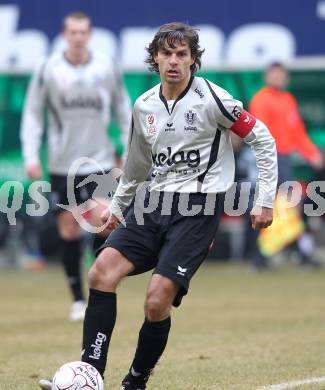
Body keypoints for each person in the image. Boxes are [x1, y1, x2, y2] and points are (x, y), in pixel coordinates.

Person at [39, 22, 277, 390]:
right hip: (152, 204)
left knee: (156, 300)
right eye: (166, 53)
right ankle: (90, 374)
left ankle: (134, 381)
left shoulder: (213, 99)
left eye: (182, 54)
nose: (174, 61)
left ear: (193, 60)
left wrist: (264, 200)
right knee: (101, 272)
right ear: (155, 58)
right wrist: (117, 210)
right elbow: (136, 166)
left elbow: (263, 139)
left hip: (197, 210)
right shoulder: (144, 105)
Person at [20, 11, 131, 321]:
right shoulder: (48, 69)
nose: (78, 37)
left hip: (101, 159)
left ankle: (102, 289)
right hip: (63, 163)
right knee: (69, 228)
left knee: (102, 218)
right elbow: (32, 114)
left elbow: (123, 109)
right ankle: (78, 300)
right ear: (64, 34)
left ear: (90, 34)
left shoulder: (106, 66)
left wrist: (126, 148)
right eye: (72, 32)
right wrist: (31, 155)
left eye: (83, 32)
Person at [249, 62, 324, 267]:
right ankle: (293, 253)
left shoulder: (288, 100)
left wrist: (312, 153)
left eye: (281, 75)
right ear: (267, 77)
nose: (278, 78)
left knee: (284, 206)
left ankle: (269, 255)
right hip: (270, 158)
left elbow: (297, 133)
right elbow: (260, 134)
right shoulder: (261, 100)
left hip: (284, 158)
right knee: (280, 205)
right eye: (274, 75)